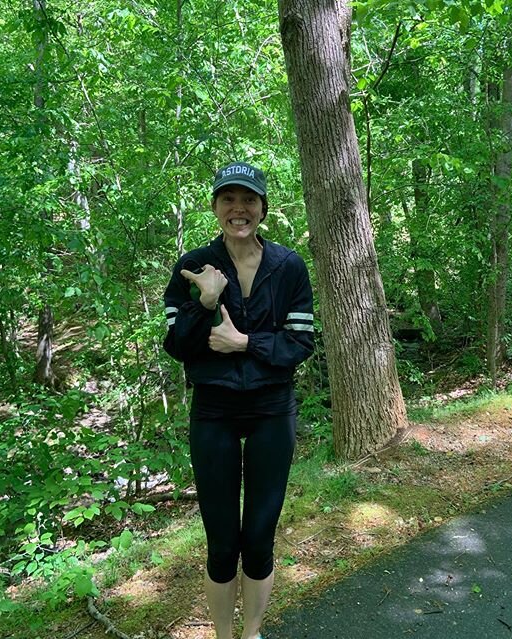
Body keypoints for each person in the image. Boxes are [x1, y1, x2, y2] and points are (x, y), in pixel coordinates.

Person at [163, 161, 314, 639]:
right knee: (222, 541)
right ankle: (224, 636)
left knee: (259, 536)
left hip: (272, 409)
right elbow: (176, 345)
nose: (238, 209)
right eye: (228, 200)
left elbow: (300, 344)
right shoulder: (193, 267)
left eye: (248, 200)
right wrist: (204, 302)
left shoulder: (288, 266)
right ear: (215, 208)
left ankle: (251, 633)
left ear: (263, 208)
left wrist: (245, 342)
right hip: (214, 412)